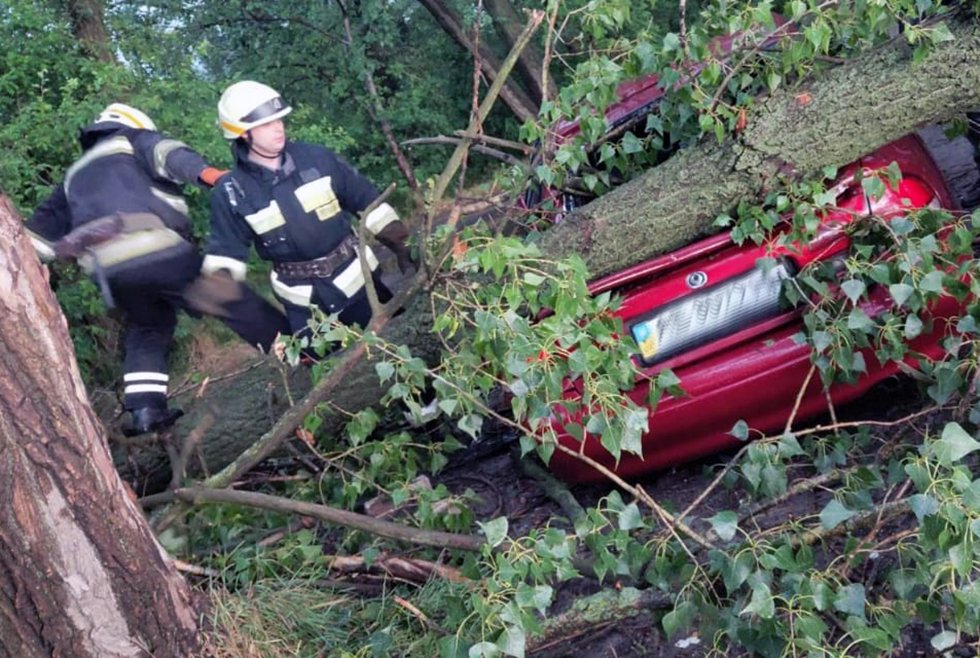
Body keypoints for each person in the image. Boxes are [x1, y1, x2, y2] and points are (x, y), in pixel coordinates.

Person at [26, 102, 290, 436]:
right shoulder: (134, 139)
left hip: (108, 272)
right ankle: (299, 352)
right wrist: (215, 177)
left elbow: (35, 243)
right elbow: (171, 156)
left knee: (148, 326)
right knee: (230, 298)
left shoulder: (73, 176)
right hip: (153, 246)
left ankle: (146, 410)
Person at [204, 80, 412, 340]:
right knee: (330, 372)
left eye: (279, 120)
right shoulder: (231, 193)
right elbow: (226, 261)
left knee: (400, 346)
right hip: (304, 304)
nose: (278, 128)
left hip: (360, 283)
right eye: (267, 124)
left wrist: (403, 245)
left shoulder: (318, 159)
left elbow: (367, 201)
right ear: (243, 133)